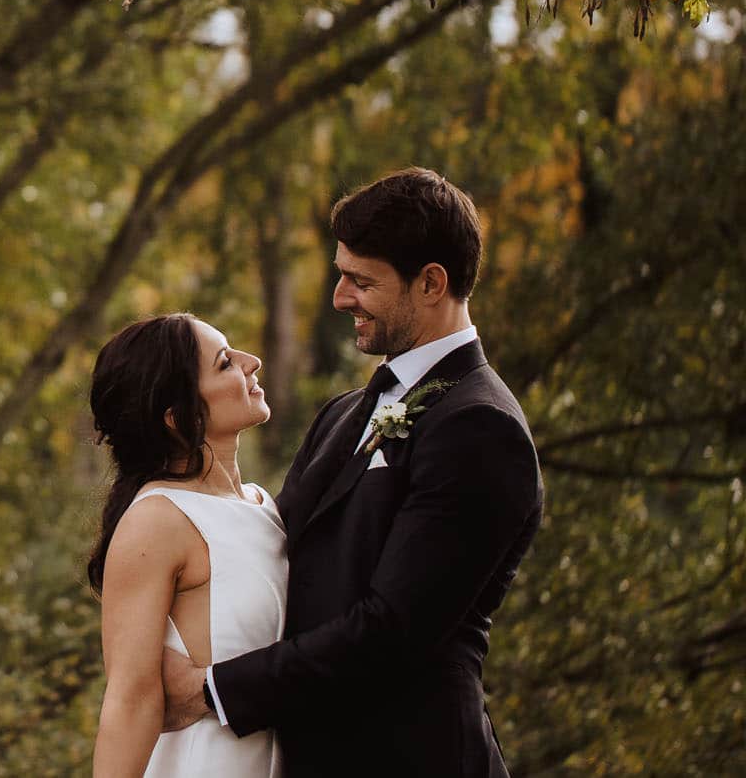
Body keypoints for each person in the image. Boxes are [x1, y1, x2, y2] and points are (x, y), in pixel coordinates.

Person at [160, 167, 544, 777]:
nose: (340, 298)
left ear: (431, 284)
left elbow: (392, 633)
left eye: (361, 281)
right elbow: (274, 554)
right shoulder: (344, 412)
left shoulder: (481, 428)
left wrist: (211, 691)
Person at [88, 311, 285, 778]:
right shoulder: (157, 520)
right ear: (178, 417)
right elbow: (129, 702)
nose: (251, 361)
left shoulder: (262, 503)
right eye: (223, 363)